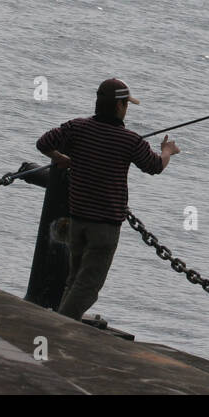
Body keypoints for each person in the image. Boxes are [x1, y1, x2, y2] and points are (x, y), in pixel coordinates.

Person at [35, 78, 180, 321]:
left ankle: (63, 319)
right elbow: (154, 166)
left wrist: (61, 157)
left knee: (74, 278)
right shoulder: (129, 140)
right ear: (120, 107)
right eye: (127, 105)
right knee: (88, 286)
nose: (127, 109)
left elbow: (43, 143)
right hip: (104, 226)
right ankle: (60, 326)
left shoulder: (77, 128)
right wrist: (168, 151)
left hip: (78, 220)